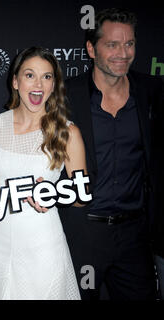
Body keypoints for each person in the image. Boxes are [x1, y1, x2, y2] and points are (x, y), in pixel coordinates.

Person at [59, 8, 163, 300]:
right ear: (91, 49)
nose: (123, 53)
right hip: (84, 234)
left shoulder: (151, 91)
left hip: (135, 236)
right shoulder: (66, 96)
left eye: (129, 44)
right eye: (112, 44)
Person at [0, 47, 86, 300]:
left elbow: (82, 196)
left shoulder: (68, 132)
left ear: (54, 85)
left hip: (43, 244)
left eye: (47, 77)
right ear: (15, 82)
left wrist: (54, 196)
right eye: (30, 75)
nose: (38, 84)